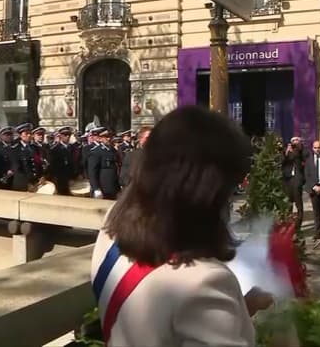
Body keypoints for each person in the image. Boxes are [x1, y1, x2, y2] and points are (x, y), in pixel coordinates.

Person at [91, 106, 272, 346]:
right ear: (210, 189)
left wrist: (239, 307)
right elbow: (188, 306)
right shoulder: (205, 282)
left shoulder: (113, 223)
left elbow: (163, 322)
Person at [88, 128, 121, 199]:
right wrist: (96, 188)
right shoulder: (96, 152)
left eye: (110, 136)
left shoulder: (113, 150)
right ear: (100, 138)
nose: (108, 139)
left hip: (114, 187)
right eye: (106, 137)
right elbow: (92, 172)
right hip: (103, 188)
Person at [281, 136, 305, 229]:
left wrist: (298, 148)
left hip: (297, 181)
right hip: (287, 182)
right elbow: (282, 162)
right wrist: (286, 152)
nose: (295, 143)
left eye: (297, 141)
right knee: (288, 206)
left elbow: (301, 158)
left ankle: (297, 227)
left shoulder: (301, 152)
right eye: (293, 141)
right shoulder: (286, 152)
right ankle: (288, 226)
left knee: (299, 205)